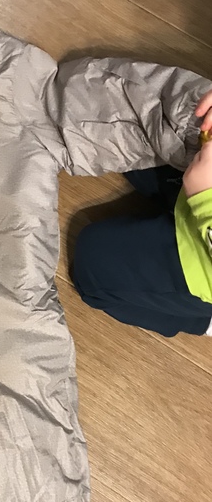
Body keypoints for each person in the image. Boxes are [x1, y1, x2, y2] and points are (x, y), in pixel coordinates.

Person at [72, 90, 212, 338]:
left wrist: (204, 199)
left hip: (201, 267)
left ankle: (203, 320)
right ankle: (177, 196)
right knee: (122, 131)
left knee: (91, 264)